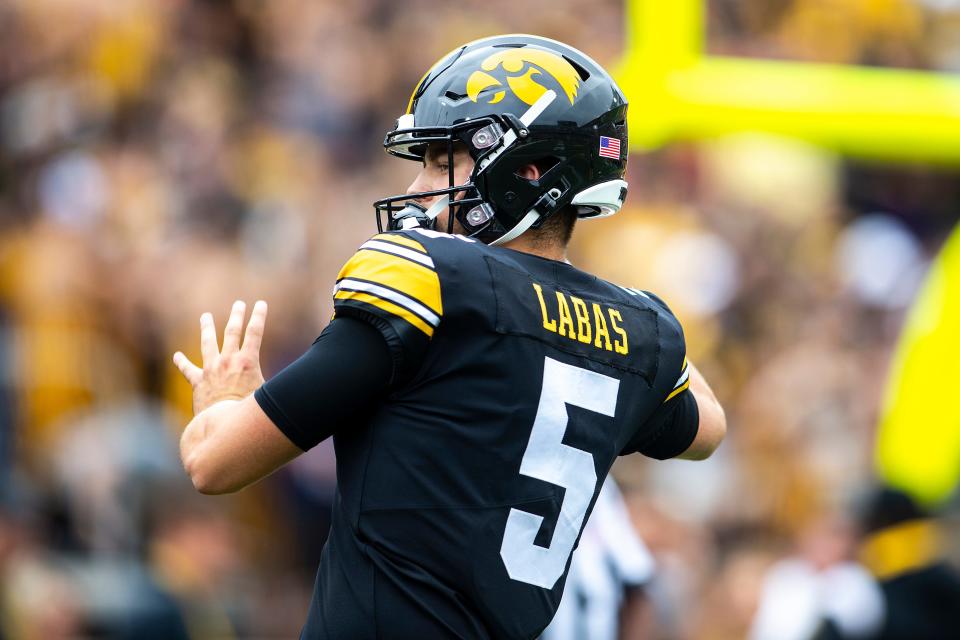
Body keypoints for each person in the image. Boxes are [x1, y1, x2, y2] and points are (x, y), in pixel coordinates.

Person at [172, 34, 726, 639]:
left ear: (527, 172)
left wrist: (225, 402)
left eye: (443, 162)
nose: (419, 189)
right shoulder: (641, 331)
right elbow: (708, 429)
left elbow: (213, 463)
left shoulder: (433, 280)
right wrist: (602, 306)